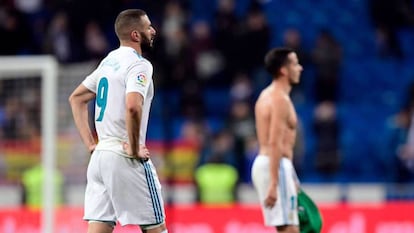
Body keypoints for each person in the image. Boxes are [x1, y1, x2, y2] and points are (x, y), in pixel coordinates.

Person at [68, 9, 167, 233]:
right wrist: (133, 148)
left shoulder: (108, 62)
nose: (153, 30)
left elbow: (76, 98)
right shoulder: (140, 64)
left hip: (100, 157)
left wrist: (91, 144)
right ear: (135, 35)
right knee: (156, 228)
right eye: (148, 26)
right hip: (124, 154)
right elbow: (133, 106)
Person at [251, 47, 303, 233]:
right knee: (290, 229)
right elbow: (275, 142)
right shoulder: (280, 99)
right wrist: (274, 183)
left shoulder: (265, 95)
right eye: (295, 63)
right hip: (276, 165)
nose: (300, 68)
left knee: (287, 228)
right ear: (283, 70)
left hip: (271, 164)